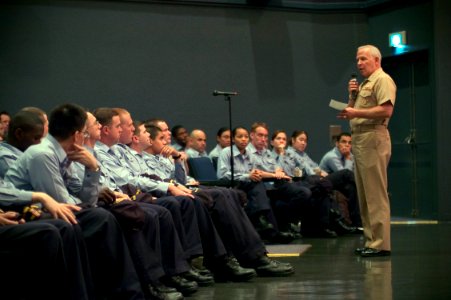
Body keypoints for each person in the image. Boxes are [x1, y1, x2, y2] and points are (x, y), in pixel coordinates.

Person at [4, 103, 145, 299]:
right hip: (26, 210)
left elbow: (85, 198)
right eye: (85, 133)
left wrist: (92, 169)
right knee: (100, 217)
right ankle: (126, 293)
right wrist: (89, 198)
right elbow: (61, 201)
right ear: (78, 134)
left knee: (104, 214)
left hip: (48, 208)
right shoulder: (43, 154)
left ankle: (126, 291)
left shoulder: (65, 153)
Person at [338, 44, 396, 257]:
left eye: (363, 59)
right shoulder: (364, 84)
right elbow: (355, 113)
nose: (359, 63)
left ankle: (381, 244)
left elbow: (386, 109)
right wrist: (352, 96)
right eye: (357, 59)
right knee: (364, 195)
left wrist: (356, 110)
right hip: (361, 139)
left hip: (373, 137)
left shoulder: (382, 79)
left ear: (377, 60)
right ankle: (372, 241)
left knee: (375, 195)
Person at [0, 178, 95, 300]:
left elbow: (7, 189)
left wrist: (93, 169)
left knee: (66, 225)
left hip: (13, 210)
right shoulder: (39, 158)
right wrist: (41, 198)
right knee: (47, 233)